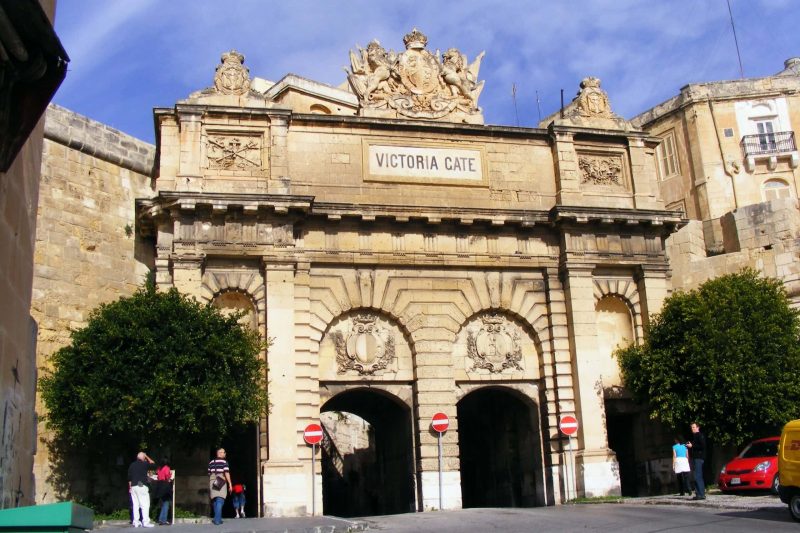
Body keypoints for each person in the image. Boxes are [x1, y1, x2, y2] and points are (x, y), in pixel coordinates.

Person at [128, 451, 156, 528]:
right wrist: (147, 456)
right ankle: (146, 522)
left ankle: (136, 522)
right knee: (145, 504)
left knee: (135, 505)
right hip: (141, 485)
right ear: (143, 458)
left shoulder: (132, 465)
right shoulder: (145, 464)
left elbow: (129, 477)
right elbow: (153, 464)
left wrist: (130, 487)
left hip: (133, 486)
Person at [208, 448, 232, 525]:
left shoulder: (211, 462)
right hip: (221, 480)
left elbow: (209, 473)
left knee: (215, 500)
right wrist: (230, 484)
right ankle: (217, 520)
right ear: (220, 453)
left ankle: (217, 518)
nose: (225, 453)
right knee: (220, 500)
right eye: (224, 452)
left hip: (212, 480)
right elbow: (226, 473)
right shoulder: (224, 462)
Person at [686, 422, 707, 500]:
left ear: (698, 427)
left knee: (698, 476)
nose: (692, 429)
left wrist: (692, 446)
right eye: (692, 427)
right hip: (695, 458)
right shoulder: (695, 436)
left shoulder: (699, 435)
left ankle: (701, 494)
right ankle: (698, 493)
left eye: (694, 427)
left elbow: (702, 446)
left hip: (699, 458)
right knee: (696, 476)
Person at [155, 457, 173, 525]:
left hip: (160, 485)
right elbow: (167, 477)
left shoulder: (159, 468)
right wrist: (170, 474)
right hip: (165, 485)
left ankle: (161, 518)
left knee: (163, 503)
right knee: (166, 503)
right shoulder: (167, 468)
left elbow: (158, 476)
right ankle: (163, 519)